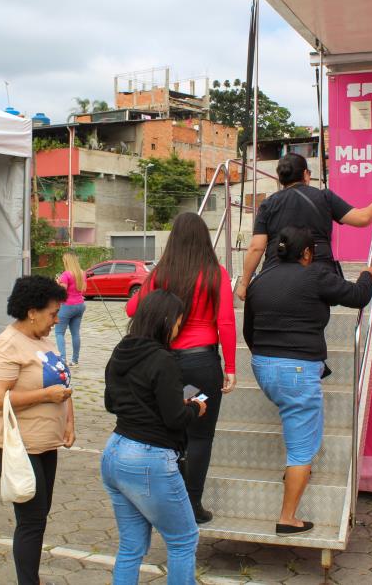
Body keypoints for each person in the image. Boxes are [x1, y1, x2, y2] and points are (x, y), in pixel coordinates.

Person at [243, 227, 372, 535]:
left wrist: (269, 358)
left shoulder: (260, 281)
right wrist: (367, 274)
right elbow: (358, 296)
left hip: (262, 366)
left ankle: (294, 474)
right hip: (297, 371)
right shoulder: (315, 275)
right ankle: (288, 518)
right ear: (306, 253)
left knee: (295, 425)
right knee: (302, 449)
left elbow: (248, 331)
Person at [125, 211, 236, 524]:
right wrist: (230, 366)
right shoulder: (217, 273)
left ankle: (163, 502)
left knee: (168, 433)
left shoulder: (162, 273)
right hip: (202, 366)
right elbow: (225, 322)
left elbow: (133, 308)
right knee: (200, 437)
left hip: (164, 365)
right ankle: (193, 506)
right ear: (204, 239)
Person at [103, 289, 206, 585]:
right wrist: (195, 408)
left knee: (131, 548)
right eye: (177, 323)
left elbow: (111, 404)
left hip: (114, 453)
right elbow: (175, 419)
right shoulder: (163, 360)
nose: (177, 330)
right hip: (148, 459)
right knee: (184, 539)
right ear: (165, 321)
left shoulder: (121, 350)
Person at [0, 276, 74, 585]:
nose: (56, 319)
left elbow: (62, 381)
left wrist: (69, 422)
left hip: (44, 443)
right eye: (52, 313)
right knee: (32, 520)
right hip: (15, 444)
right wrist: (43, 397)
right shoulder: (7, 344)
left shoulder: (43, 339)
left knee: (40, 514)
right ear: (32, 311)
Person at [235, 153, 372, 301]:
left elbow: (256, 247)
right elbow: (362, 218)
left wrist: (244, 284)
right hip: (318, 274)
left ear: (281, 178)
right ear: (305, 174)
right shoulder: (324, 197)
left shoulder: (268, 204)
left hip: (276, 273)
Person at [55, 252, 87, 365]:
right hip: (80, 305)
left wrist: (58, 283)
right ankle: (75, 360)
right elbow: (83, 290)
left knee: (59, 332)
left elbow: (62, 292)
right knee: (75, 333)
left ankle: (62, 359)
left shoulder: (65, 274)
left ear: (67, 262)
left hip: (67, 306)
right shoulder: (82, 273)